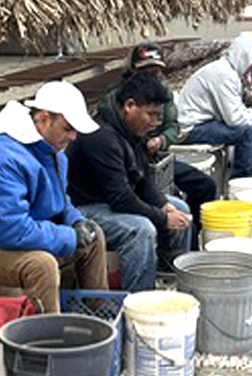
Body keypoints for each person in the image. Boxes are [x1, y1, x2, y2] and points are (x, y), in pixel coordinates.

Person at [0, 80, 108, 312]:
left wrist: (76, 221)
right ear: (44, 119)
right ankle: (50, 339)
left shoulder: (51, 149)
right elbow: (10, 231)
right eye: (68, 128)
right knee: (41, 265)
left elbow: (60, 200)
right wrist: (68, 236)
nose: (73, 137)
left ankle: (99, 317)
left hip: (13, 229)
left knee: (93, 235)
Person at [68, 71, 193, 291]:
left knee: (180, 208)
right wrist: (162, 218)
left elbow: (140, 178)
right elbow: (120, 197)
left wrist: (164, 205)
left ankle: (170, 275)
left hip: (110, 201)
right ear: (129, 106)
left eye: (158, 116)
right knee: (140, 230)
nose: (155, 123)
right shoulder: (102, 137)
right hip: (84, 207)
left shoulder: (130, 130)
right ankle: (138, 299)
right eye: (151, 114)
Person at [106, 43, 218, 232]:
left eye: (155, 70)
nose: (151, 74)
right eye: (145, 70)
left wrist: (161, 140)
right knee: (147, 222)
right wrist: (162, 214)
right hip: (131, 160)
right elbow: (124, 192)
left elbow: (174, 127)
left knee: (203, 186)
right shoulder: (116, 99)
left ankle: (191, 239)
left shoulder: (163, 92)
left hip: (155, 157)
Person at [176, 32, 252, 178]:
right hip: (191, 128)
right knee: (248, 132)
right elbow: (235, 119)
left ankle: (240, 179)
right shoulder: (224, 75)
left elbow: (238, 109)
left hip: (202, 122)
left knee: (247, 130)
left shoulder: (227, 71)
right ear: (244, 57)